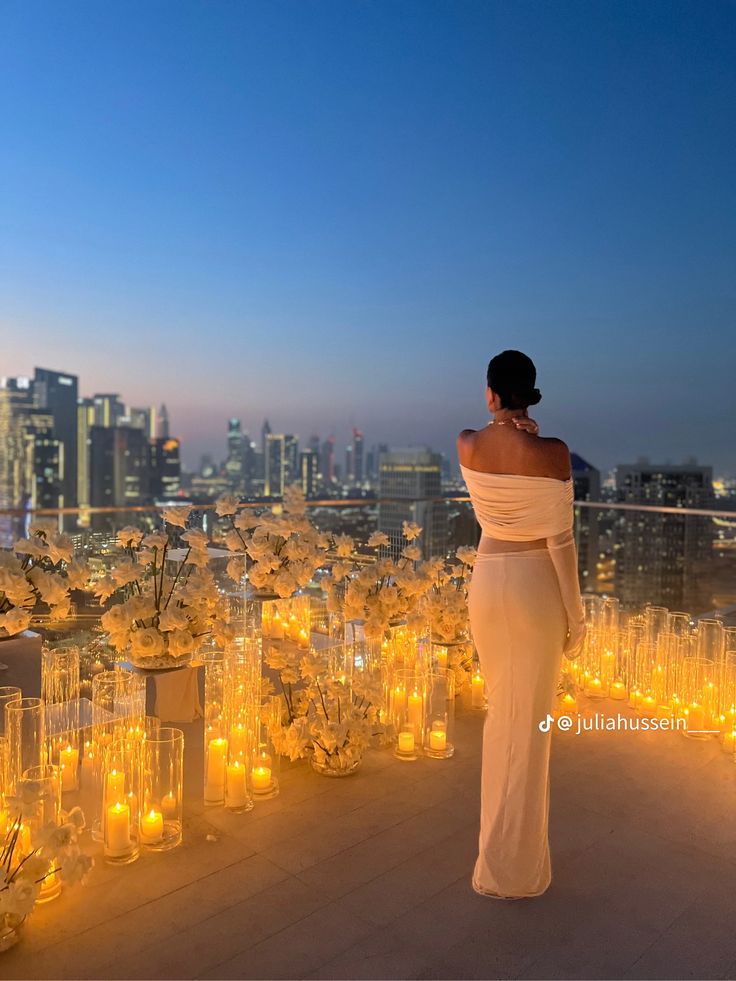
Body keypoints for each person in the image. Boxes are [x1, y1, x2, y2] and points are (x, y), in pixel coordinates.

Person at [457, 349, 585, 899]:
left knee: (499, 719)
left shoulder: (466, 443)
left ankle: (497, 858)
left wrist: (508, 428)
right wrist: (576, 618)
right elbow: (560, 542)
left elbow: (496, 463)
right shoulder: (554, 453)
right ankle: (514, 870)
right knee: (529, 728)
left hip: (487, 585)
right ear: (530, 394)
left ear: (490, 394)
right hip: (534, 589)